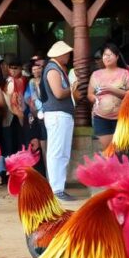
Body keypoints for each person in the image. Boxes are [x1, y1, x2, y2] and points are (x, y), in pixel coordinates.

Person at [41, 41, 75, 201]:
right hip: (57, 114)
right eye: (66, 54)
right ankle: (56, 189)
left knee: (61, 153)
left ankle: (58, 187)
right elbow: (59, 93)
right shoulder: (53, 70)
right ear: (60, 54)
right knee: (57, 152)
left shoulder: (57, 68)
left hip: (60, 114)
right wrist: (73, 90)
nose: (68, 56)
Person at [88, 43, 129, 150]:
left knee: (121, 150)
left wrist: (112, 90)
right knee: (106, 150)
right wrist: (95, 99)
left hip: (121, 117)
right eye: (104, 55)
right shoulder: (96, 74)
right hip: (101, 117)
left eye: (110, 55)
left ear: (117, 57)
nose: (106, 57)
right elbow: (90, 94)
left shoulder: (125, 73)